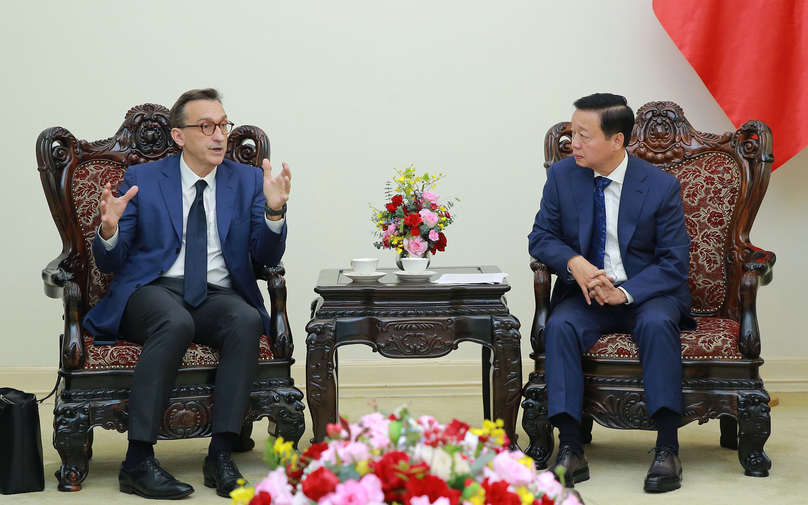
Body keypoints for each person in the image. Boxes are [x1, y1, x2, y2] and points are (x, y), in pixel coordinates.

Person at [83, 88, 292, 499]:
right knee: (174, 321)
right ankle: (137, 461)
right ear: (179, 136)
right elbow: (111, 262)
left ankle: (220, 456)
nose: (219, 136)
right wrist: (108, 231)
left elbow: (265, 255)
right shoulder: (143, 179)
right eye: (206, 126)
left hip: (216, 292)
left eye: (223, 125)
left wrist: (273, 212)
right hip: (152, 289)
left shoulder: (248, 179)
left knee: (247, 319)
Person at [528, 93, 693, 493]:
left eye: (584, 135)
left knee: (656, 325)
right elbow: (540, 237)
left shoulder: (660, 186)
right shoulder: (563, 176)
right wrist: (574, 263)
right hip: (588, 294)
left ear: (616, 140)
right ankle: (570, 447)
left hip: (646, 293)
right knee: (560, 325)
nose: (574, 143)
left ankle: (667, 448)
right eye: (571, 133)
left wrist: (627, 293)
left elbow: (674, 263)